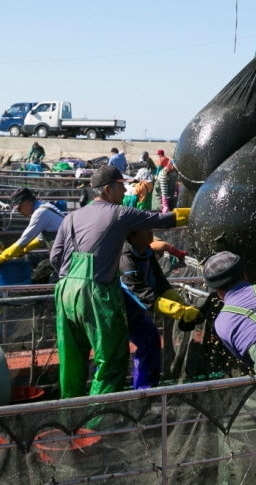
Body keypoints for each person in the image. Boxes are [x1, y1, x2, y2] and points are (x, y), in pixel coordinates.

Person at [49, 165, 190, 398]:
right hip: (95, 290)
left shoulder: (71, 217)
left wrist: (74, 278)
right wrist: (196, 212)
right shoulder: (120, 213)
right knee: (111, 358)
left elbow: (55, 257)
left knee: (71, 358)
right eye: (121, 186)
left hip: (64, 290)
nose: (125, 191)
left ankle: (71, 418)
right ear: (107, 189)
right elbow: (162, 219)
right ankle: (100, 422)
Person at [120, 228, 197, 389]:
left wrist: (181, 303)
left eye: (150, 229)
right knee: (114, 354)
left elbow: (160, 282)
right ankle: (106, 403)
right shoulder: (124, 257)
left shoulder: (146, 252)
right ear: (132, 235)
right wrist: (177, 310)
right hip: (115, 311)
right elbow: (138, 289)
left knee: (151, 339)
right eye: (145, 230)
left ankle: (145, 390)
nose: (150, 233)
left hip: (135, 311)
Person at [0, 187, 66, 271]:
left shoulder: (40, 212)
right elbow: (40, 239)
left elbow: (23, 240)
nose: (19, 211)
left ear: (28, 202)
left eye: (19, 207)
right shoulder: (42, 208)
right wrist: (23, 250)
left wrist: (1, 257)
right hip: (64, 251)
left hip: (67, 251)